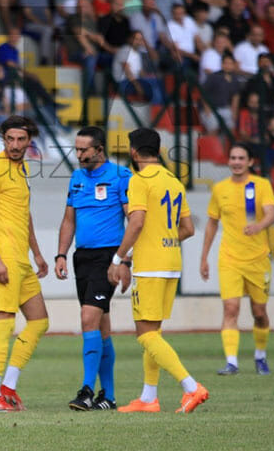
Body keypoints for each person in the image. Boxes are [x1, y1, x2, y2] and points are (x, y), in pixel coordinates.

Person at [108, 128, 208, 413]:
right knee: (154, 332)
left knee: (144, 334)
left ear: (134, 152)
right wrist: (164, 238)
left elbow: (136, 222)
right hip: (172, 262)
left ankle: (191, 387)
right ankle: (149, 397)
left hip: (150, 265)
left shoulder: (139, 180)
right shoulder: (174, 181)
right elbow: (187, 229)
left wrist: (118, 258)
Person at [0, 115, 50, 412]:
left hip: (20, 257)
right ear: (3, 139)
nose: (15, 145)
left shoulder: (22, 169)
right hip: (2, 256)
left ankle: (8, 386)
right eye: (10, 139)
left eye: (21, 140)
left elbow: (24, 213)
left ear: (29, 140)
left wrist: (38, 253)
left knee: (39, 321)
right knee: (5, 322)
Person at [54, 126, 130, 411]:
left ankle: (86, 390)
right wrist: (61, 254)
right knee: (101, 325)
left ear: (99, 150)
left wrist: (124, 260)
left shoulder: (121, 176)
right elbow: (68, 221)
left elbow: (133, 219)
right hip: (82, 258)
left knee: (88, 318)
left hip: (107, 257)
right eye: (77, 149)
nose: (79, 155)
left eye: (84, 150)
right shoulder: (76, 178)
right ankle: (107, 396)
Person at [199, 143, 274, 376]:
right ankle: (231, 362)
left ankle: (260, 356)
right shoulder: (219, 188)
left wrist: (259, 226)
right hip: (229, 258)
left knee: (259, 312)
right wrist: (204, 257)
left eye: (241, 158)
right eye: (232, 157)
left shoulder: (261, 185)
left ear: (250, 162)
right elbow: (212, 223)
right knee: (230, 308)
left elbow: (272, 213)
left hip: (258, 259)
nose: (236, 162)